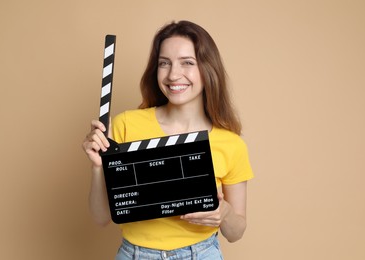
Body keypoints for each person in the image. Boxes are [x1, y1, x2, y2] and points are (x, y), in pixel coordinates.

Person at [82, 20, 254, 260]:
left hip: (202, 254)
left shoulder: (230, 144)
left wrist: (224, 213)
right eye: (164, 63)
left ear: (208, 69)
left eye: (187, 63)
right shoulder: (125, 125)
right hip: (135, 254)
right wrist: (98, 166)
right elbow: (101, 218)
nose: (173, 74)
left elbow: (236, 232)